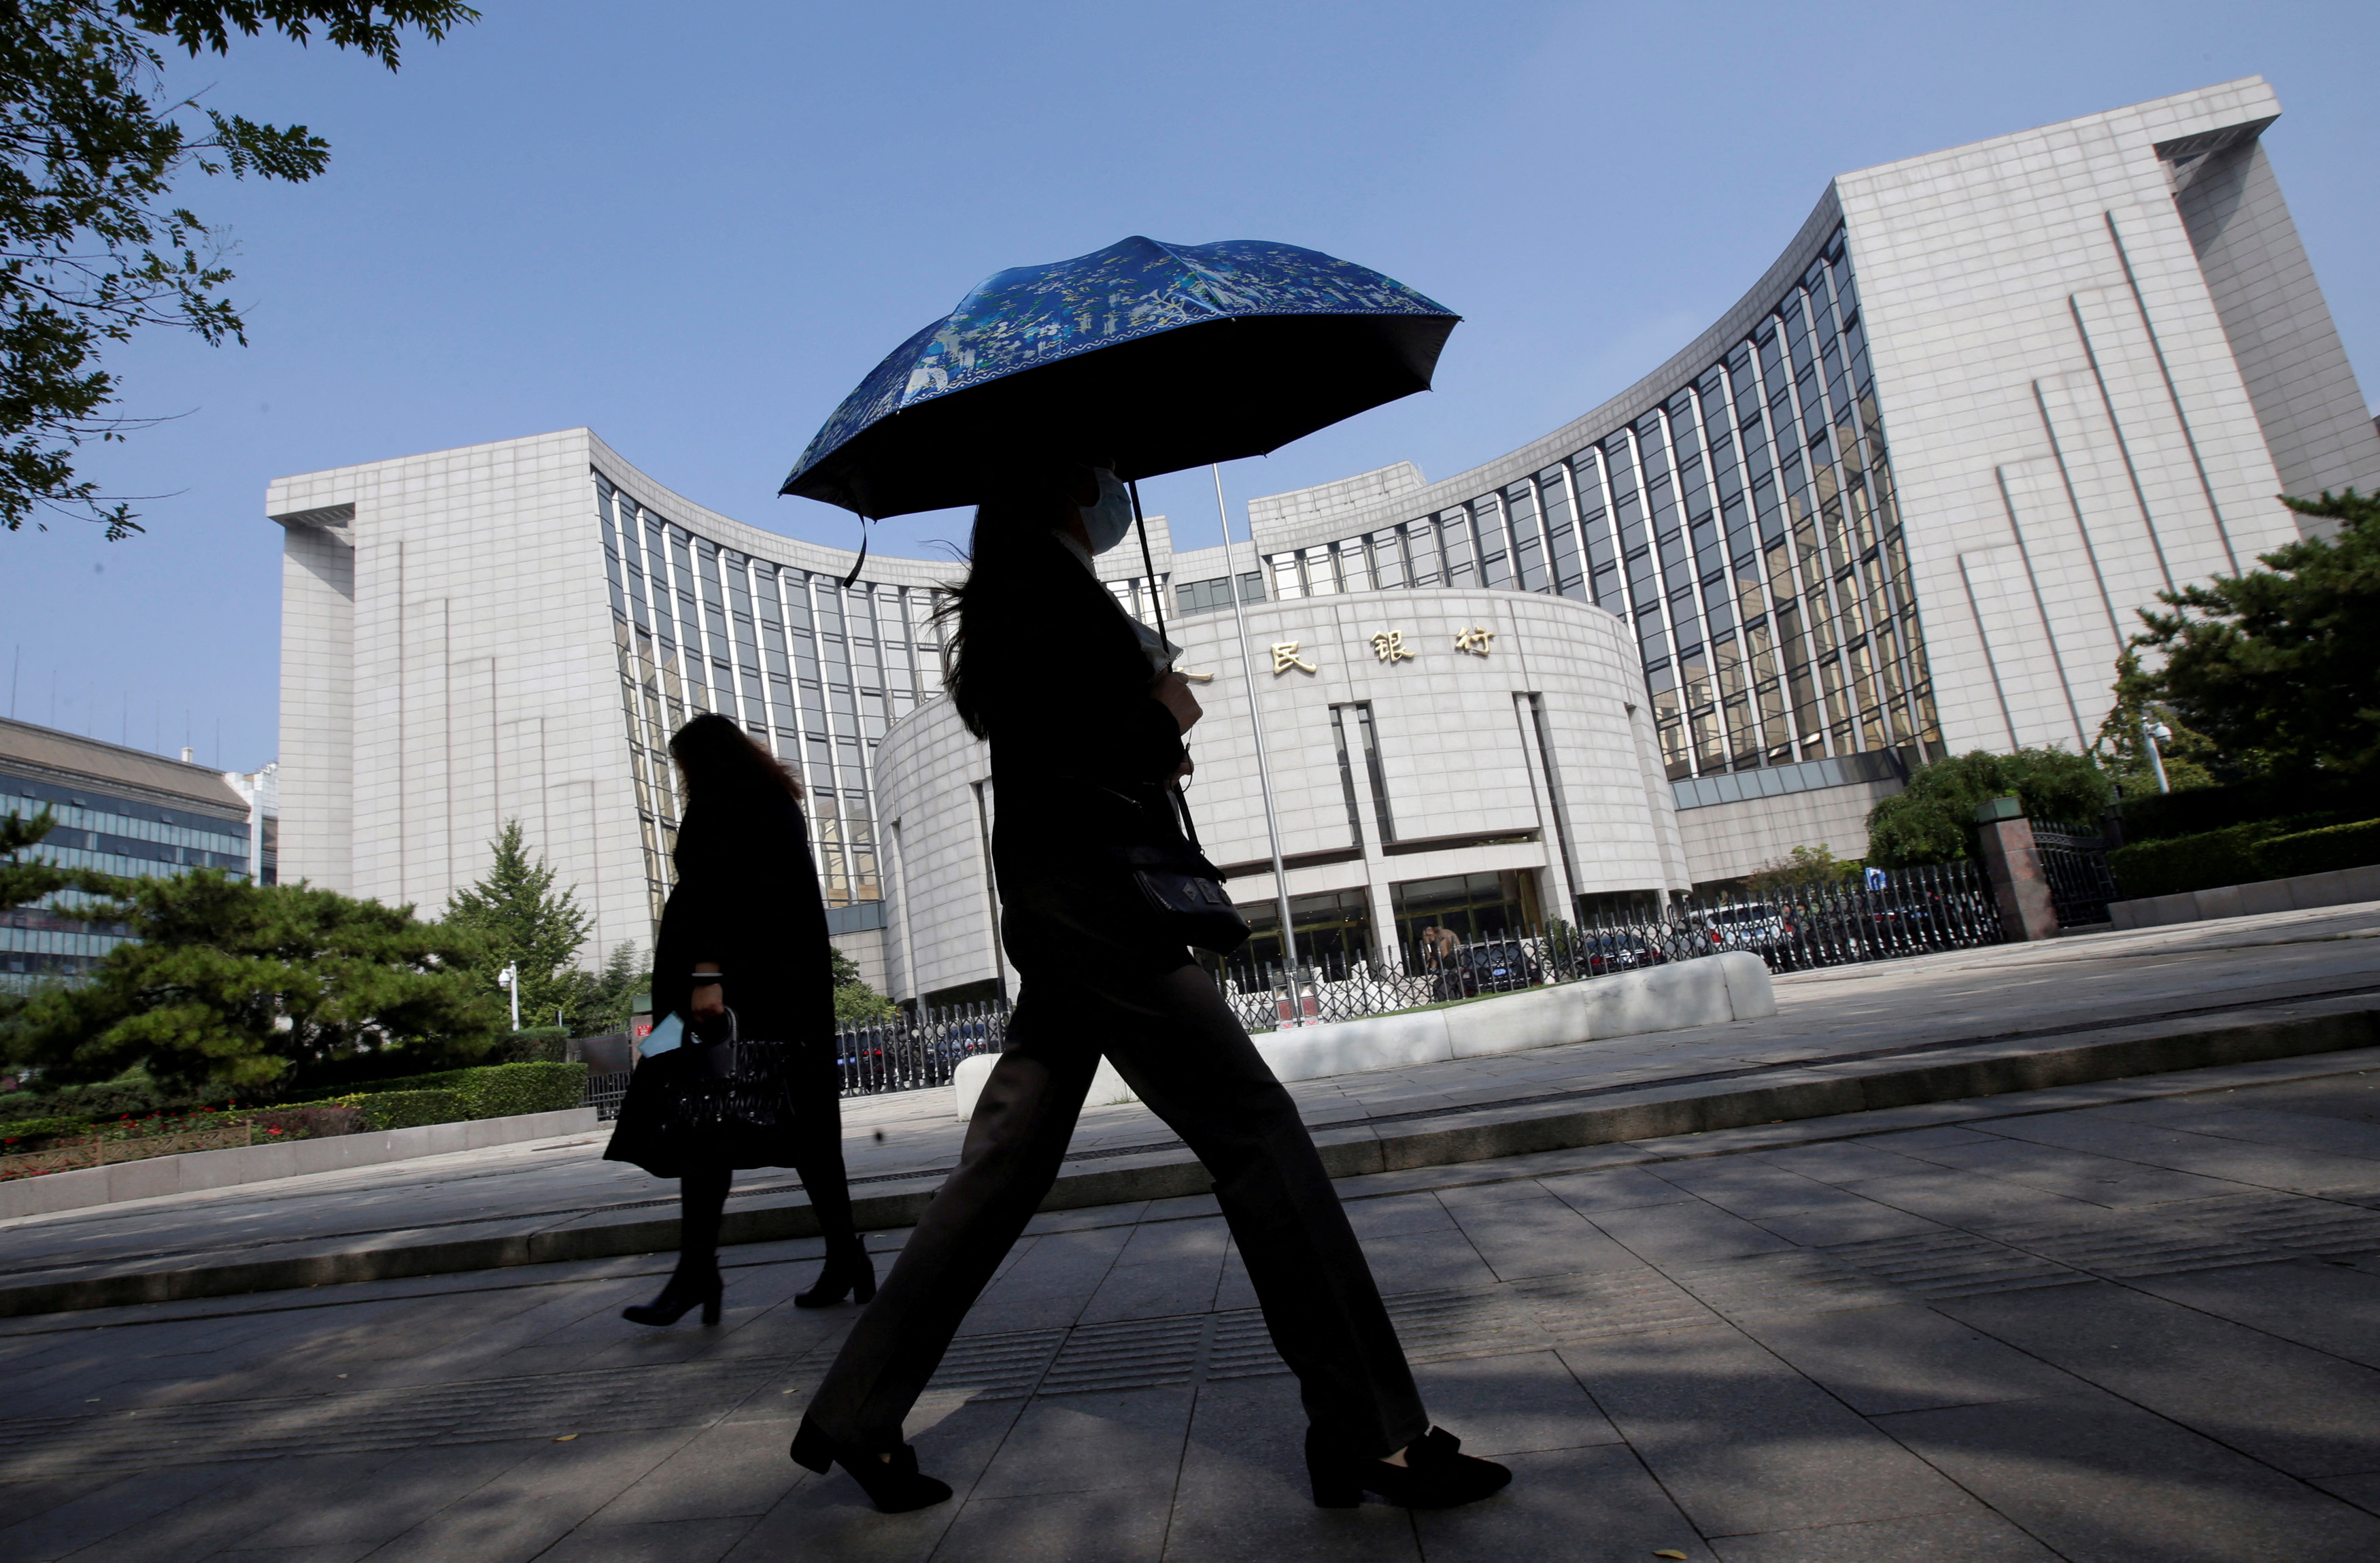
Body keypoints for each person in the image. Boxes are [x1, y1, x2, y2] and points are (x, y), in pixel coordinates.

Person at [789, 465, 1511, 1514]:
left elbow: (1051, 749)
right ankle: (1371, 1430)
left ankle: (855, 1411)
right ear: (1067, 489)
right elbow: (1073, 750)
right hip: (1099, 907)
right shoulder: (1045, 596)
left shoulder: (1027, 591)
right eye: (1103, 469)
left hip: (1068, 905)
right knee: (1258, 1133)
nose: (1116, 487)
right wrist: (1164, 714)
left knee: (1003, 1167)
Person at [603, 713, 872, 1325]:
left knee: (697, 1117)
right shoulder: (775, 800)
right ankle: (842, 1255)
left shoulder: (724, 801)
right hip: (778, 997)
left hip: (719, 998)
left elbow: (712, 893)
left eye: (682, 765)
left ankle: (697, 1273)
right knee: (801, 1124)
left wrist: (704, 976)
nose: (681, 778)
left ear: (702, 761)